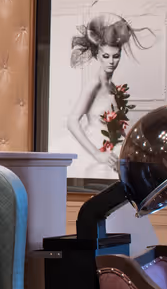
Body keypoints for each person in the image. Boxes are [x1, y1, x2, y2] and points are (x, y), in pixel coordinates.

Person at [66, 13, 156, 173]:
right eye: (106, 56)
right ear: (97, 56)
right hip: (97, 155)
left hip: (113, 153)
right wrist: (97, 154)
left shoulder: (113, 87)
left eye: (116, 56)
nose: (111, 61)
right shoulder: (94, 84)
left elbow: (115, 127)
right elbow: (72, 121)